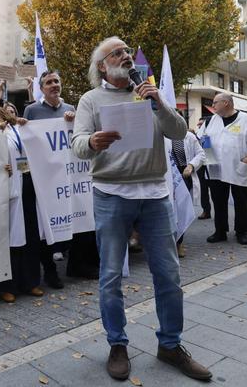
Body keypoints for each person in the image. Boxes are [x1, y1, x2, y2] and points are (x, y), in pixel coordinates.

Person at [72, 37, 211, 381]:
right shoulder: (91, 99)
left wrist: (159, 102)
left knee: (169, 274)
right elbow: (78, 145)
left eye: (126, 51)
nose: (126, 56)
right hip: (111, 194)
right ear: (102, 65)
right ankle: (117, 344)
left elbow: (178, 131)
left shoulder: (148, 92)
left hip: (154, 194)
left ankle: (170, 345)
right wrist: (92, 141)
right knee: (111, 276)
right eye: (117, 53)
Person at [22, 70, 84, 288]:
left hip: (66, 177)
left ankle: (75, 264)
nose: (54, 85)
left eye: (56, 81)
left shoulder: (70, 109)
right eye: (49, 82)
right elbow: (27, 140)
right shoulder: (32, 110)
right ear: (41, 88)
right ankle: (49, 271)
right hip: (45, 179)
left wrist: (74, 121)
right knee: (46, 225)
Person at [201, 93, 247, 245]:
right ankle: (220, 231)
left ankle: (242, 232)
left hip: (239, 166)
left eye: (215, 102)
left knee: (241, 200)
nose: (213, 105)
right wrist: (208, 158)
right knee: (218, 201)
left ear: (226, 103)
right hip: (216, 167)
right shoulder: (210, 121)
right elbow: (203, 139)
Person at [0, 103, 44, 303]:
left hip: (26, 184)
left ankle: (30, 282)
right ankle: (8, 286)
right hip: (6, 190)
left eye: (12, 111)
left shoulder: (18, 130)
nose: (8, 114)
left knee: (30, 233)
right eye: (4, 112)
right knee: (11, 238)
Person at [171, 127, 206, 257]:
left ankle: (179, 243)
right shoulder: (161, 136)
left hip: (183, 176)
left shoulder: (188, 136)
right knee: (168, 211)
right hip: (166, 177)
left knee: (180, 211)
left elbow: (201, 154)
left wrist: (191, 165)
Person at [195, 117, 213, 220]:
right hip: (201, 165)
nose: (200, 126)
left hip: (212, 163)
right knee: (203, 189)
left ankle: (219, 211)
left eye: (202, 124)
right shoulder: (197, 135)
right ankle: (206, 210)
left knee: (215, 189)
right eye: (199, 124)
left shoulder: (213, 133)